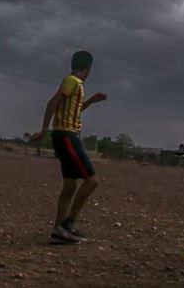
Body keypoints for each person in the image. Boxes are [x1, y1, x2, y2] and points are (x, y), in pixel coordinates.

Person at [32, 50, 108, 244]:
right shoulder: (72, 81)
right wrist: (43, 129)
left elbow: (75, 109)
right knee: (92, 182)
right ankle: (68, 223)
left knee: (70, 184)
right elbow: (52, 103)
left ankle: (59, 230)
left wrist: (91, 101)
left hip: (64, 135)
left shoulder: (77, 85)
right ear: (89, 67)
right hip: (66, 136)